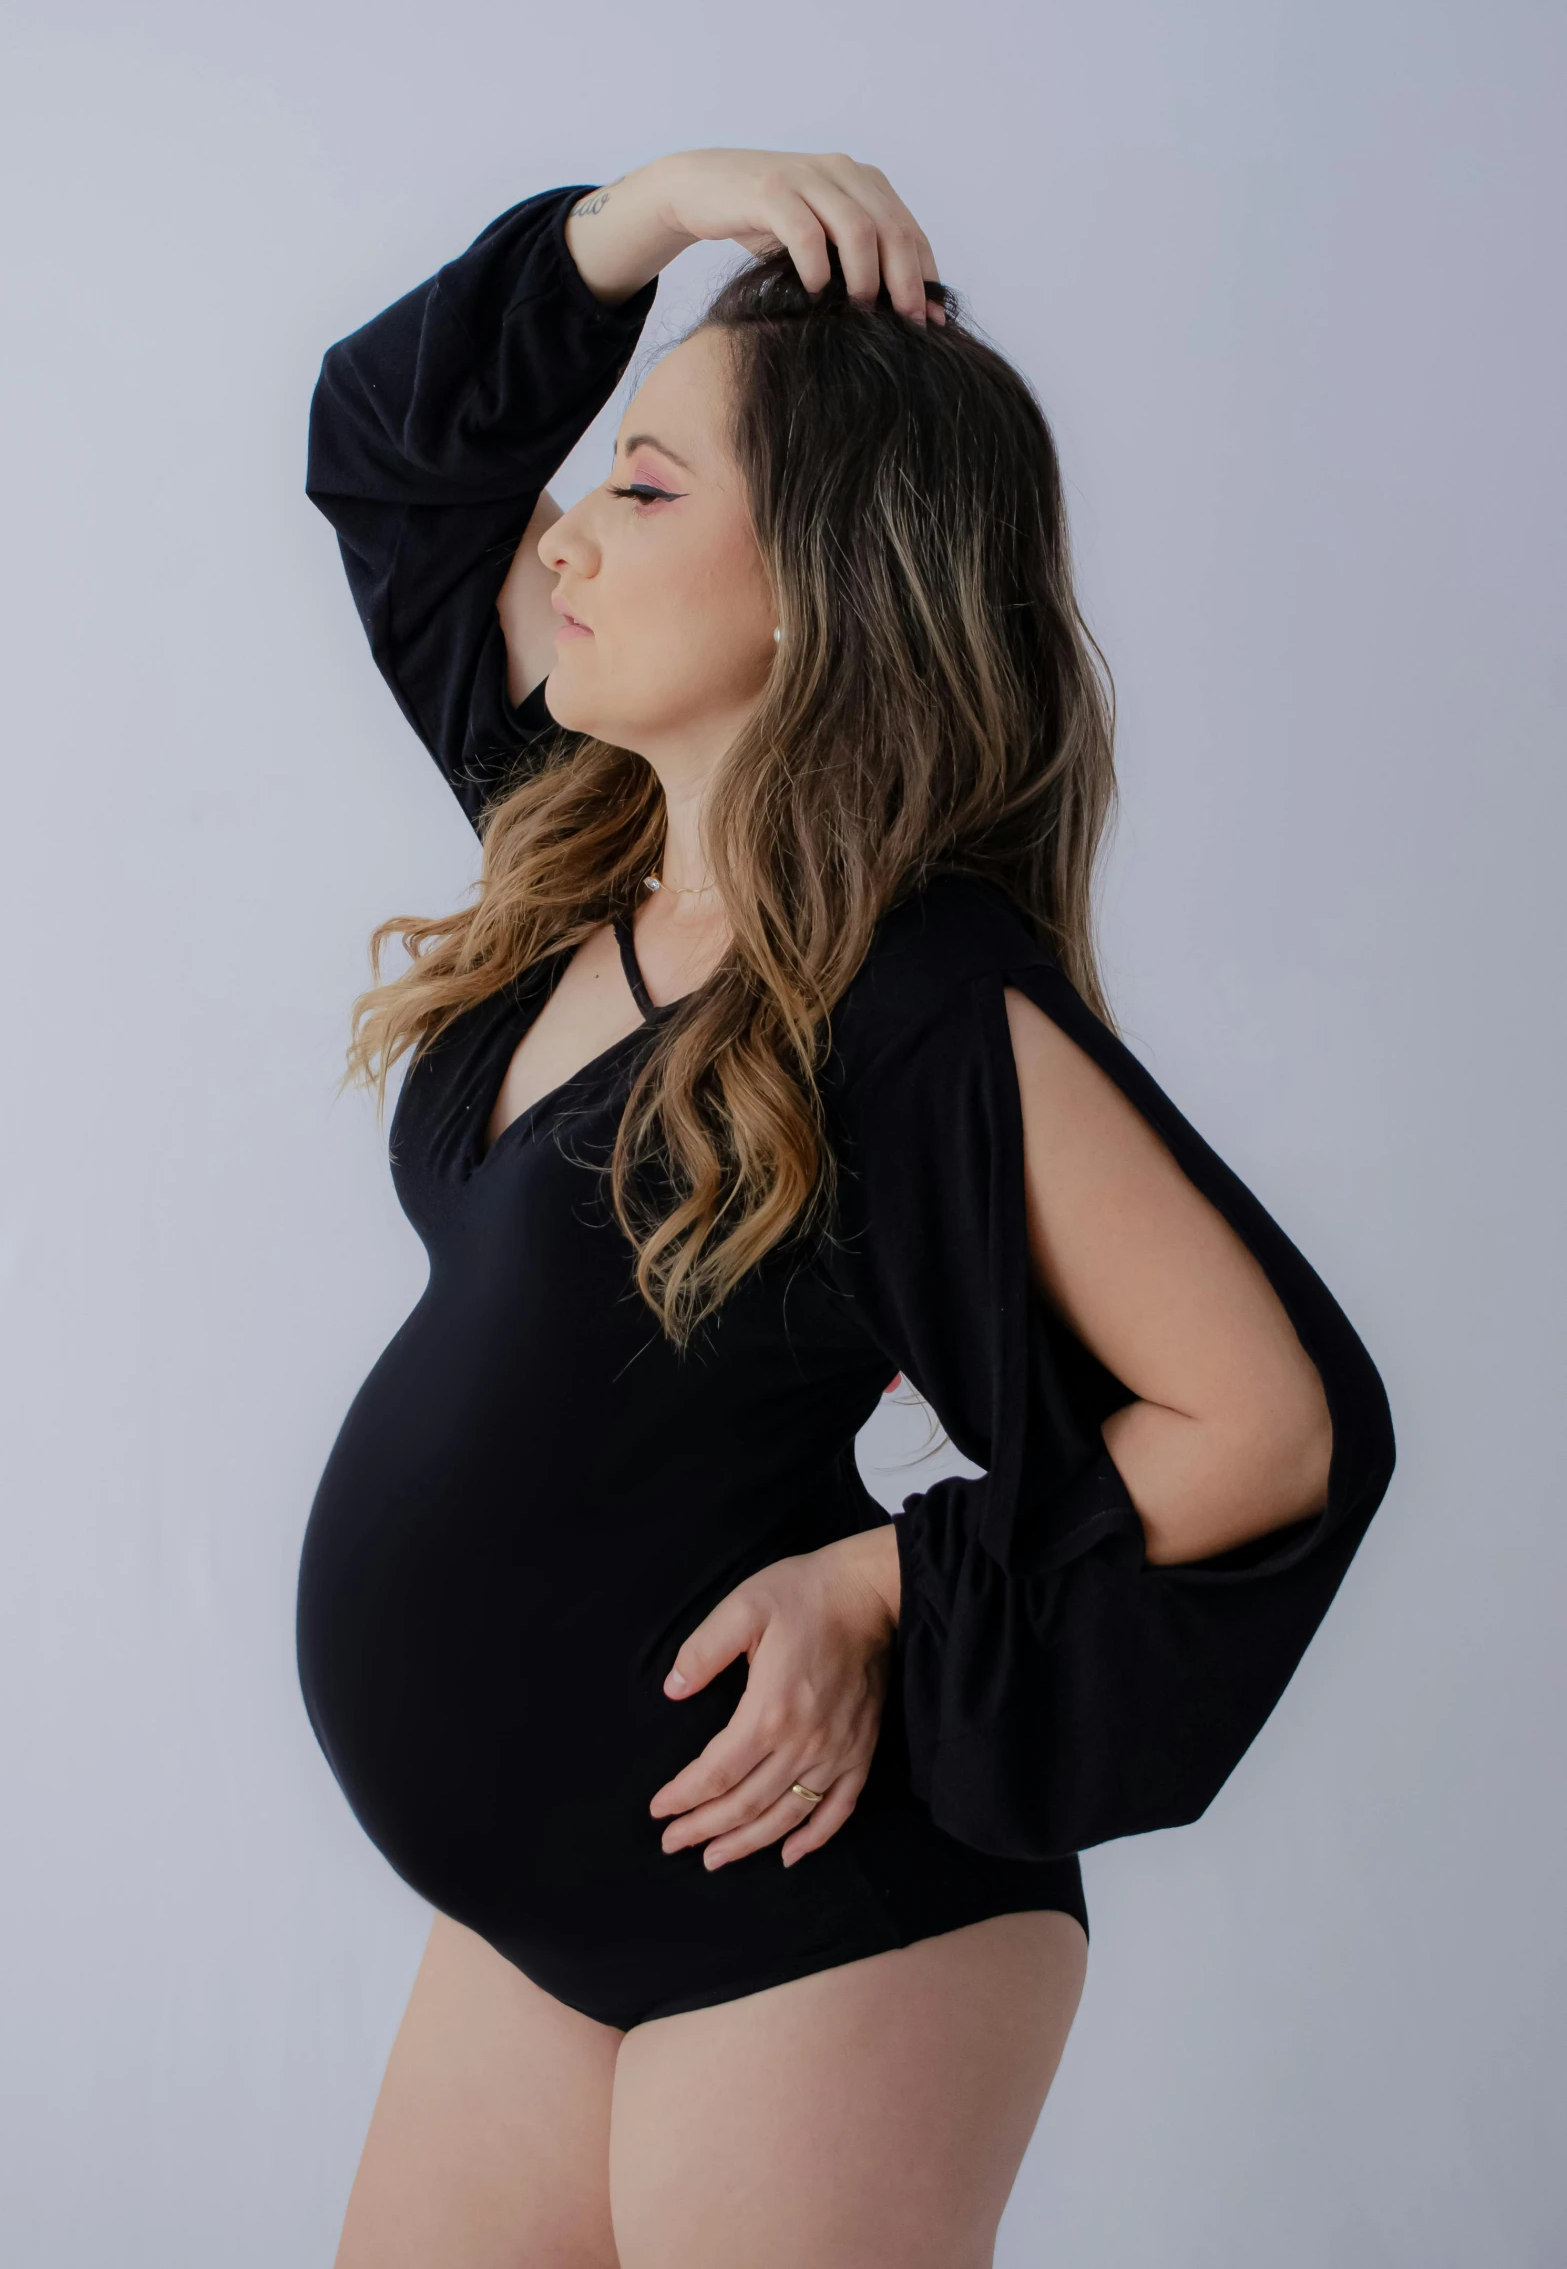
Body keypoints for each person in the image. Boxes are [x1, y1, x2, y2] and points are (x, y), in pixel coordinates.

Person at [296, 148, 1394, 2269]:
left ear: (810, 578)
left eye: (641, 488)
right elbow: (389, 451)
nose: (565, 535)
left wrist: (876, 1583)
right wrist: (667, 207)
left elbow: (1269, 1423)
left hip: (816, 1926)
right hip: (543, 1911)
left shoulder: (919, 1000)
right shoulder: (580, 851)